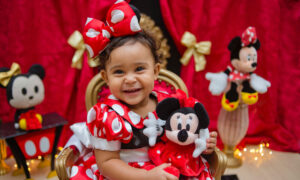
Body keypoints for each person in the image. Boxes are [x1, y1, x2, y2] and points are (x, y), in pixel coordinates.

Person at [66, 1, 217, 179]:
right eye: (119, 72)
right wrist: (145, 176)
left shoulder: (170, 104)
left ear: (155, 72)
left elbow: (183, 136)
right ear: (106, 77)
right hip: (127, 174)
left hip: (172, 167)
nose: (130, 79)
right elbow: (107, 164)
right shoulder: (107, 117)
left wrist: (203, 145)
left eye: (139, 69)